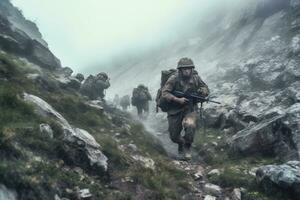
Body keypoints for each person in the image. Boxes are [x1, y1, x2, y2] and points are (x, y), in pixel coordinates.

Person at [161, 57, 209, 159]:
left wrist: (202, 91)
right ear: (180, 70)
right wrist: (177, 99)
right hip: (175, 109)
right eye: (184, 69)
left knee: (190, 127)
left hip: (190, 108)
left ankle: (187, 147)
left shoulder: (196, 78)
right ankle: (181, 143)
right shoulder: (173, 79)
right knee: (174, 136)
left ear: (191, 69)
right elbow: (165, 93)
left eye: (189, 68)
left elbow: (206, 88)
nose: (187, 71)